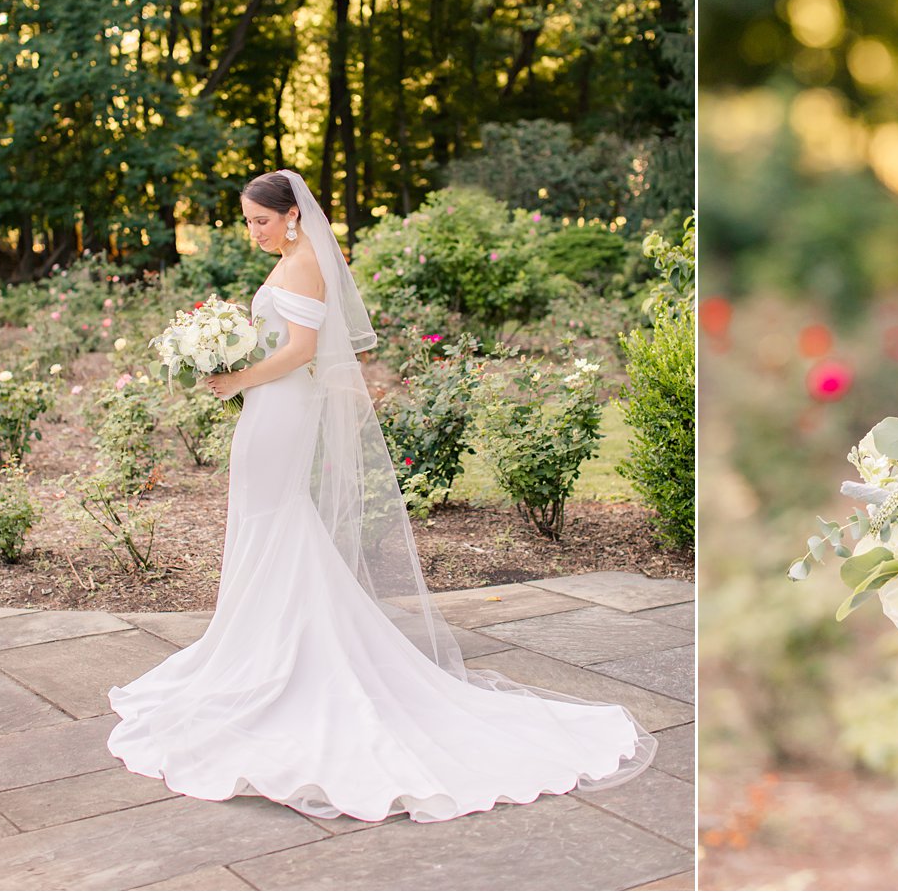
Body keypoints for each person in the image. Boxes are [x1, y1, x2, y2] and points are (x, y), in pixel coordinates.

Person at [107, 168, 654, 822]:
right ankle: (260, 643)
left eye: (260, 220)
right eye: (248, 221)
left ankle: (287, 655)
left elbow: (304, 349)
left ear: (291, 216)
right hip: (268, 406)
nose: (252, 231)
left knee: (276, 518)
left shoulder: (306, 261)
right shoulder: (293, 256)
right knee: (271, 520)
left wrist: (238, 375)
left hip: (280, 407)